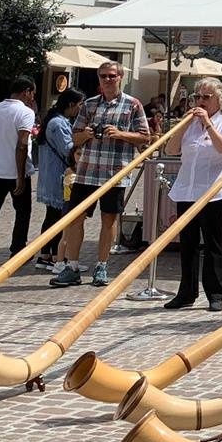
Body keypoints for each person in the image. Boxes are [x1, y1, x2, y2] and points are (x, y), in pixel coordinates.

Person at [52, 62, 151, 288]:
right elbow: (73, 140)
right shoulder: (89, 105)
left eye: (112, 76)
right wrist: (86, 135)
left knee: (109, 219)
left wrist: (120, 134)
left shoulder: (132, 105)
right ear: (98, 79)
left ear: (121, 78)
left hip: (114, 172)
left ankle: (101, 266)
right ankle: (72, 266)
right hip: (87, 171)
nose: (108, 80)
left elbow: (145, 137)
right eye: (104, 76)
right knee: (75, 219)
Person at [166, 78, 222, 311]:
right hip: (186, 190)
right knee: (187, 244)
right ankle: (186, 292)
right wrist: (183, 125)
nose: (200, 101)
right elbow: (170, 149)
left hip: (213, 192)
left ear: (220, 100)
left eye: (206, 97)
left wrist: (208, 123)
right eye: (197, 97)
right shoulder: (189, 123)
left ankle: (215, 293)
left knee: (213, 245)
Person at [0, 77, 37, 272]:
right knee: (22, 212)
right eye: (32, 94)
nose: (32, 98)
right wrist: (20, 175)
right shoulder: (25, 112)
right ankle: (17, 250)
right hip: (14, 172)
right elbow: (21, 144)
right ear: (26, 92)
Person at [31, 87, 83, 268]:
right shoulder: (59, 124)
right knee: (59, 218)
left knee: (52, 216)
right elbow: (68, 149)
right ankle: (54, 257)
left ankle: (46, 255)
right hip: (57, 177)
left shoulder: (54, 120)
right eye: (79, 104)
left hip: (50, 176)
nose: (80, 109)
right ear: (71, 105)